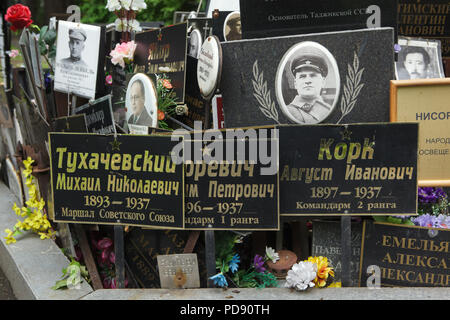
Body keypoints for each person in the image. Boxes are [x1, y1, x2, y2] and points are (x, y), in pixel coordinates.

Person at [286, 54, 332, 124]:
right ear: (295, 83)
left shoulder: (329, 110)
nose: (307, 81)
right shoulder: (288, 111)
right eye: (302, 76)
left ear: (323, 82)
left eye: (313, 76)